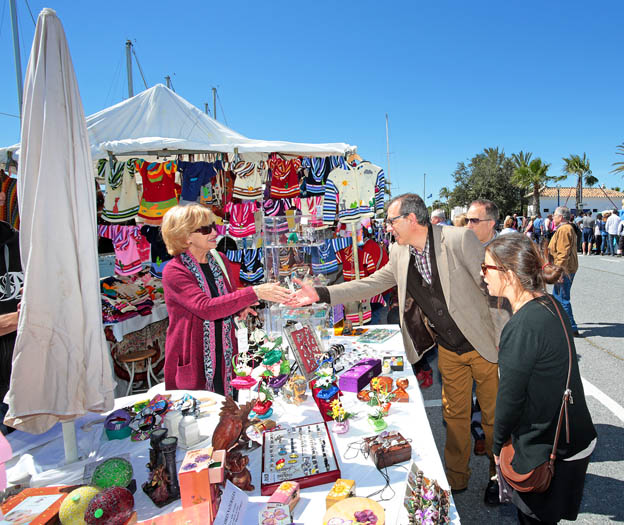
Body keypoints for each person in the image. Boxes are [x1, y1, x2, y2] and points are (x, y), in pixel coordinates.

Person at [288, 193, 506, 504]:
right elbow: (371, 283)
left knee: (494, 418)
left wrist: (502, 337)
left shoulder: (459, 240)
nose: (387, 227)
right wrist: (321, 294)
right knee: (455, 417)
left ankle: (500, 478)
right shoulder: (399, 251)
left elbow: (491, 289)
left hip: (483, 344)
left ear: (411, 219)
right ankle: (456, 480)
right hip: (448, 349)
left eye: (391, 221)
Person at [483, 233, 596, 524]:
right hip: (572, 435)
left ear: (507, 273)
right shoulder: (548, 303)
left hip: (549, 447)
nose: (482, 275)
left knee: (534, 519)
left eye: (486, 268)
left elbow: (510, 398)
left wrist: (496, 448)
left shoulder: (522, 326)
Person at [160, 204, 291, 395]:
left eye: (214, 226)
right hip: (194, 359)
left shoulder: (219, 259)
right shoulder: (175, 271)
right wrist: (254, 292)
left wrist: (240, 308)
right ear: (185, 236)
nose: (214, 232)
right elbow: (205, 308)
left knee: (229, 412)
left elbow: (225, 299)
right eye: (205, 229)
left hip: (227, 355)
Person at [548, 207, 579, 337]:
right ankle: (561, 324)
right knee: (557, 296)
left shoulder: (564, 229)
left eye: (554, 215)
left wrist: (559, 271)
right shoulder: (565, 228)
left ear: (560, 217)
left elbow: (563, 253)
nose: (553, 218)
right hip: (567, 268)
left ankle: (571, 327)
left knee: (562, 298)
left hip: (564, 269)